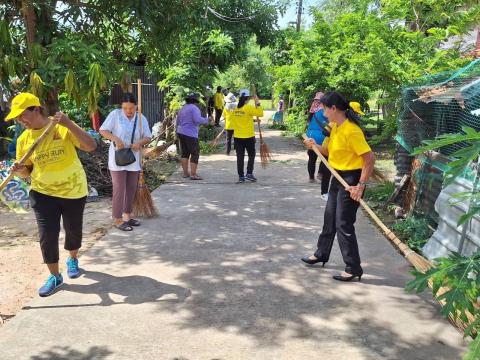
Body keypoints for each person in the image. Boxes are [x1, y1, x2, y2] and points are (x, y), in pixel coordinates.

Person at [8, 92, 97, 297]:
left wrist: (68, 124)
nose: (20, 120)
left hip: (73, 189)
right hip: (42, 192)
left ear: (36, 109)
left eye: (22, 115)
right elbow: (27, 172)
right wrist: (19, 170)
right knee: (47, 235)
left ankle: (72, 258)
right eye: (17, 117)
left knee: (73, 229)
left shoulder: (61, 126)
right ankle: (55, 275)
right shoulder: (23, 139)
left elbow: (91, 146)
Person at [301, 92, 374, 282]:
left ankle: (353, 267)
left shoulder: (352, 130)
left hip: (351, 178)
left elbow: (369, 158)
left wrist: (360, 185)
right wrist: (314, 145)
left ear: (334, 108)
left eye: (324, 108)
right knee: (329, 217)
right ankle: (322, 253)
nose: (323, 112)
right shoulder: (335, 127)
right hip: (337, 176)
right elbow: (327, 151)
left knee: (343, 223)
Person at [99, 93, 152, 231]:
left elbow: (148, 136)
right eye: (125, 108)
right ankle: (117, 219)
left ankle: (127, 216)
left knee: (131, 189)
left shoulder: (141, 118)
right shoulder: (115, 115)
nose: (128, 111)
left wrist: (139, 143)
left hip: (133, 158)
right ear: (121, 107)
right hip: (117, 158)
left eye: (131, 108)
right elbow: (103, 130)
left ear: (136, 106)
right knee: (119, 188)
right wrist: (115, 139)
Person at [231, 89, 263, 183]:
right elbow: (260, 113)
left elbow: (239, 119)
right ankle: (249, 173)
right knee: (251, 155)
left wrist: (252, 120)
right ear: (248, 98)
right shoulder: (248, 107)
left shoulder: (235, 108)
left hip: (237, 137)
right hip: (248, 136)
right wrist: (257, 102)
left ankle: (241, 176)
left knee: (240, 157)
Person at [175, 93, 209, 180]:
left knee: (185, 153)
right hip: (190, 133)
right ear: (195, 101)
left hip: (181, 132)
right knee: (194, 153)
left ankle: (185, 173)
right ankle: (193, 174)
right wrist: (206, 120)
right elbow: (197, 120)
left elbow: (177, 122)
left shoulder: (182, 108)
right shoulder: (194, 108)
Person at [306, 92, 331, 200]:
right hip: (320, 136)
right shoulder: (323, 111)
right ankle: (321, 174)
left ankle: (311, 177)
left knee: (312, 157)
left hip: (310, 135)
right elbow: (330, 124)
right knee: (325, 155)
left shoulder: (312, 111)